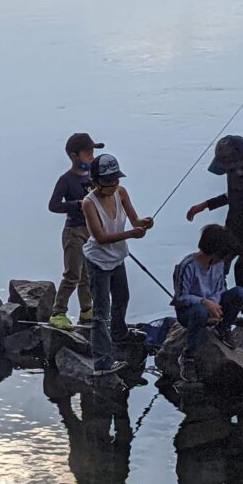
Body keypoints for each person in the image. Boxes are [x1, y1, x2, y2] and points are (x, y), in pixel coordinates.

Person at [186, 134, 243, 332]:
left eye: (228, 165)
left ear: (241, 159)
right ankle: (223, 314)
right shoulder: (232, 171)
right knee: (220, 269)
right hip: (231, 230)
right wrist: (205, 205)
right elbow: (231, 195)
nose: (227, 170)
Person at [81, 153, 152, 376]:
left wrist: (144, 224)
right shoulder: (89, 203)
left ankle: (120, 334)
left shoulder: (121, 193)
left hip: (118, 258)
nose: (113, 185)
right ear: (95, 182)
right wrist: (131, 234)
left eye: (115, 180)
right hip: (98, 261)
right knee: (101, 311)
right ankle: (102, 362)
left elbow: (135, 220)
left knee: (122, 298)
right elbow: (100, 237)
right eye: (107, 181)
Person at [172, 224, 243, 383]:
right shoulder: (187, 266)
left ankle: (224, 327)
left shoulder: (218, 265)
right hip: (190, 311)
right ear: (215, 252)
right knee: (200, 311)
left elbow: (220, 288)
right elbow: (180, 298)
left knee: (239, 293)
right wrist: (204, 302)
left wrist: (215, 306)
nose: (224, 259)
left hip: (212, 306)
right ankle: (187, 357)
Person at [47, 132, 102, 331]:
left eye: (92, 153)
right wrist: (76, 204)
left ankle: (87, 310)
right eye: (87, 154)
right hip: (73, 232)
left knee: (87, 274)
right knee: (72, 274)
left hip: (91, 231)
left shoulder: (91, 178)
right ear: (73, 156)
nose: (91, 157)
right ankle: (58, 312)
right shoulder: (66, 180)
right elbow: (53, 205)